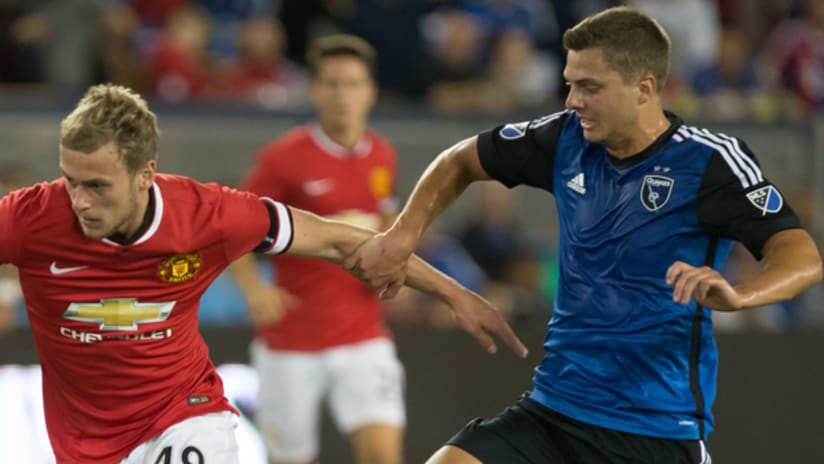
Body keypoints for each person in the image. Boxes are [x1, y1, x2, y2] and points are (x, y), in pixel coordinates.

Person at [344, 6, 823, 464]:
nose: (573, 101)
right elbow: (460, 160)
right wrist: (403, 235)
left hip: (655, 430)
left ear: (644, 88)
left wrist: (740, 295)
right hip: (552, 413)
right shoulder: (565, 138)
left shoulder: (709, 162)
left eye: (589, 87)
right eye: (571, 84)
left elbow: (801, 256)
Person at [0, 83, 527, 464]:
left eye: (97, 186)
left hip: (183, 413)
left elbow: (341, 239)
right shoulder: (29, 218)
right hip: (83, 444)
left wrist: (454, 293)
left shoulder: (208, 214)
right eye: (70, 180)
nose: (79, 201)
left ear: (145, 176)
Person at [228, 34, 404, 464]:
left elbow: (386, 228)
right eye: (331, 83)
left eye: (352, 83)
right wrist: (254, 289)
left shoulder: (383, 155)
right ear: (314, 90)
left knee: (383, 455)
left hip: (362, 333)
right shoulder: (283, 158)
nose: (342, 94)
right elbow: (233, 231)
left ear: (371, 92)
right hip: (292, 338)